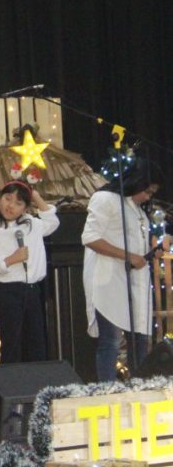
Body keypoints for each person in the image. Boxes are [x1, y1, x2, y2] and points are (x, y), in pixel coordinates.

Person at [83, 159, 164, 382]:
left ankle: (139, 387)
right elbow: (90, 238)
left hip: (135, 282)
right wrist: (129, 256)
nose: (147, 197)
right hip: (109, 280)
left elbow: (136, 247)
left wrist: (150, 252)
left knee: (139, 340)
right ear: (136, 182)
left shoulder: (138, 210)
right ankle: (107, 390)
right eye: (147, 191)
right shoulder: (105, 199)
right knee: (110, 341)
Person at [0, 181, 59, 364]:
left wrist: (36, 196)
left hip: (33, 291)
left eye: (18, 203)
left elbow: (52, 222)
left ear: (25, 208)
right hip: (7, 292)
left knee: (36, 346)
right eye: (7, 199)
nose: (11, 206)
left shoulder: (32, 225)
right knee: (12, 347)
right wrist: (10, 260)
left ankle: (35, 382)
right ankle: (11, 382)